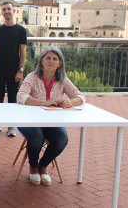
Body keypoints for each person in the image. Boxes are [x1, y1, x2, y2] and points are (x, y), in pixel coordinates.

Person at [16, 46, 86, 186]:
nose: (51, 61)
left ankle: (43, 165)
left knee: (62, 138)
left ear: (60, 64)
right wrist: (45, 102)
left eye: (55, 59)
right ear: (41, 61)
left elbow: (81, 97)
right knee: (37, 136)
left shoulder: (62, 80)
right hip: (28, 120)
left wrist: (69, 101)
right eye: (48, 57)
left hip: (52, 121)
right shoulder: (32, 77)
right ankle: (33, 166)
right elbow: (21, 96)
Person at [0, 1, 27, 137]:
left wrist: (20, 70)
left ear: (13, 11)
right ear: (2, 12)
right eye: (4, 9)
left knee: (12, 98)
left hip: (13, 69)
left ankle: (11, 126)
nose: (7, 12)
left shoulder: (21, 30)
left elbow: (23, 51)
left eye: (9, 9)